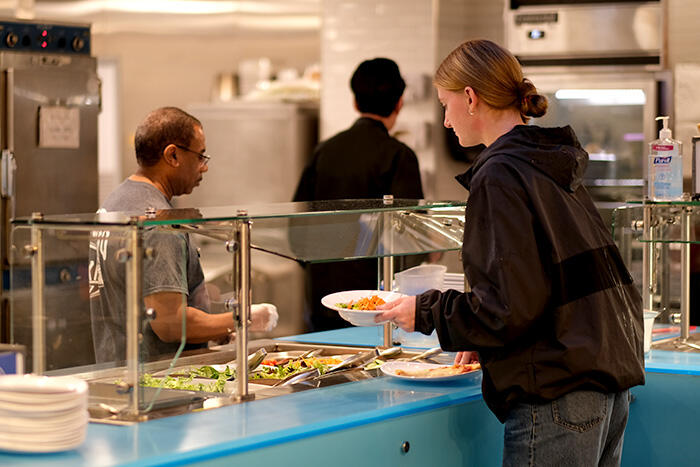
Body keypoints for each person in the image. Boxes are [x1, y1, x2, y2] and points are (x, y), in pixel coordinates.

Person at [375, 40, 644, 466]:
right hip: (607, 383)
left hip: (558, 391)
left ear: (470, 97)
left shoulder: (500, 172)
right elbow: (548, 287)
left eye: (446, 105)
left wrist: (425, 312)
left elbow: (506, 306)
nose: (445, 121)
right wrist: (482, 337)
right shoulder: (546, 161)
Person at [89, 107, 277, 363]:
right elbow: (169, 323)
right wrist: (245, 318)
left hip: (116, 373)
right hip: (157, 388)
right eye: (200, 156)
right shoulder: (159, 222)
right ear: (173, 155)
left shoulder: (116, 201)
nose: (204, 167)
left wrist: (210, 323)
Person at [293, 57, 424, 331]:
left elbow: (296, 225)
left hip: (323, 301)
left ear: (355, 103)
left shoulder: (324, 151)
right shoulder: (399, 156)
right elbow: (413, 236)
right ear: (399, 102)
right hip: (377, 307)